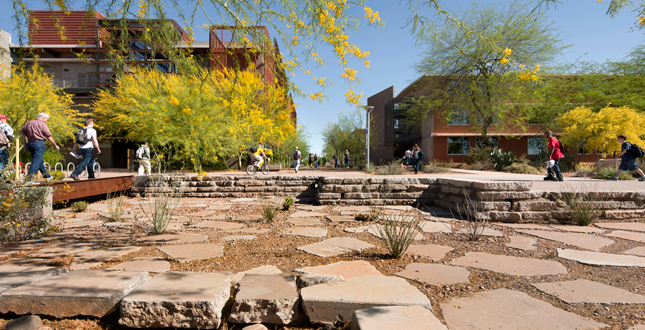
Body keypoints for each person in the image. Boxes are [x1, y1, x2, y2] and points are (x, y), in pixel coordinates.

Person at [21, 113, 59, 181]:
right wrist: (55, 144)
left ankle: (46, 176)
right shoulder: (42, 124)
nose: (46, 121)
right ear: (44, 118)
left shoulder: (28, 123)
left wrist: (24, 145)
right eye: (47, 119)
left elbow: (23, 135)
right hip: (39, 143)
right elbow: (48, 136)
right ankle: (28, 179)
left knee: (39, 160)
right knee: (36, 162)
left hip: (30, 143)